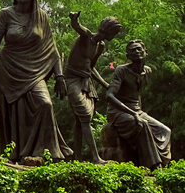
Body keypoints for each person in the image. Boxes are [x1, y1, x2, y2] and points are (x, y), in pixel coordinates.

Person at [0, 0, 72, 162]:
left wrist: (59, 76)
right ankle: (16, 153)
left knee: (45, 104)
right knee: (15, 114)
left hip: (34, 70)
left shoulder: (41, 16)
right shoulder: (5, 14)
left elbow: (52, 48)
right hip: (9, 70)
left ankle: (43, 154)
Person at [64, 12, 122, 163]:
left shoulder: (100, 46)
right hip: (72, 79)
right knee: (83, 114)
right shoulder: (87, 36)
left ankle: (77, 158)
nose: (114, 36)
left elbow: (90, 67)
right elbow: (77, 27)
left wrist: (104, 84)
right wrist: (74, 19)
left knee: (80, 121)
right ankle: (96, 158)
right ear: (107, 30)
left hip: (86, 81)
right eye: (114, 32)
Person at [106, 40, 172, 169]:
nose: (136, 52)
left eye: (139, 49)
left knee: (165, 130)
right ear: (128, 56)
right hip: (118, 112)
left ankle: (164, 163)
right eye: (132, 51)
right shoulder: (121, 70)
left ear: (145, 52)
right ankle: (153, 166)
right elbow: (109, 96)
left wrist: (139, 112)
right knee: (143, 124)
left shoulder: (147, 71)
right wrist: (133, 113)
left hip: (137, 110)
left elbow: (138, 95)